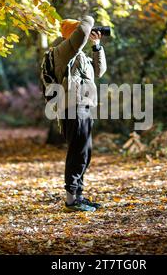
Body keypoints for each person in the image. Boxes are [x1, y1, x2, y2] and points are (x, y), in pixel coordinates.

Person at [51, 15, 107, 212]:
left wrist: (97, 45)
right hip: (72, 107)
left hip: (85, 106)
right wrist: (89, 19)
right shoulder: (63, 51)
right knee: (77, 152)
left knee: (85, 153)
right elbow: (82, 31)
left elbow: (99, 72)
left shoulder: (80, 55)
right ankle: (70, 200)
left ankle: (79, 196)